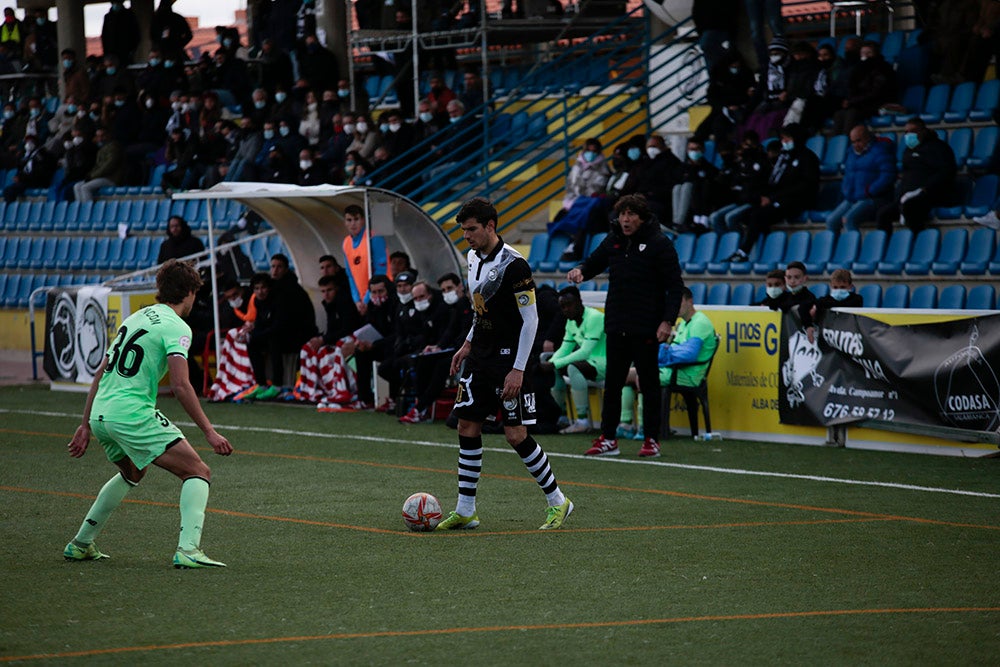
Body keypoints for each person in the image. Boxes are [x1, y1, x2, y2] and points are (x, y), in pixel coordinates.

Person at [64, 259, 233, 569]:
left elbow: (100, 372)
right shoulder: (177, 326)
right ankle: (188, 549)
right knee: (198, 471)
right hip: (131, 414)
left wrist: (85, 424)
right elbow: (182, 386)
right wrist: (209, 431)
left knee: (133, 472)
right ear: (189, 292)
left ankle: (81, 543)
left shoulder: (136, 317)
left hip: (103, 413)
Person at [438, 197, 573, 531]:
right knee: (466, 426)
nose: (466, 236)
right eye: (463, 230)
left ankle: (558, 501)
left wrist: (519, 368)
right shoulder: (471, 258)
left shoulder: (515, 265)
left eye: (471, 229)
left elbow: (531, 321)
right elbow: (479, 308)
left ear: (490, 226)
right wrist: (468, 343)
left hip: (508, 360)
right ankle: (466, 509)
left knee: (515, 434)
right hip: (480, 356)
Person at [567, 193, 685, 459]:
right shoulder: (614, 240)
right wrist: (581, 271)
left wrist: (667, 321)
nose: (625, 219)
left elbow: (675, 287)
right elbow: (594, 262)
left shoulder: (659, 243)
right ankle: (609, 439)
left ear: (642, 218)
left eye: (631, 214)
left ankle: (651, 439)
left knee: (649, 383)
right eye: (622, 214)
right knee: (613, 383)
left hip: (647, 326)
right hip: (617, 323)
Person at [618, 287, 718, 439]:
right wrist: (664, 352)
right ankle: (626, 424)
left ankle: (645, 428)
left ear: (690, 301)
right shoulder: (683, 323)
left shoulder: (700, 322)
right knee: (624, 374)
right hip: (674, 370)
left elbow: (688, 355)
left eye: (679, 302)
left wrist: (663, 353)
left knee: (643, 374)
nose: (674, 307)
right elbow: (674, 350)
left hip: (688, 374)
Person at [726, 123, 819, 261]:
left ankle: (744, 252)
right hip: (776, 199)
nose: (784, 142)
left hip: (795, 201)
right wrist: (765, 196)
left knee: (758, 215)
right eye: (783, 138)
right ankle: (761, 252)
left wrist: (774, 198)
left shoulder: (808, 158)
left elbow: (805, 186)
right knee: (746, 215)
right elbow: (774, 181)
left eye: (788, 138)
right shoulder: (784, 157)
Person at [399, 273, 474, 424]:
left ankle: (420, 408)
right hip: (457, 349)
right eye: (444, 290)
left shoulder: (469, 305)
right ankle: (422, 407)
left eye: (450, 288)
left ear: (460, 286)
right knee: (423, 361)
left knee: (442, 366)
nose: (447, 292)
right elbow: (451, 331)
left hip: (470, 351)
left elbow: (467, 331)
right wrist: (438, 347)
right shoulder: (454, 307)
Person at [539, 285, 606, 435]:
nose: (566, 309)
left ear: (579, 302)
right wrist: (550, 363)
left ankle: (582, 421)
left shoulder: (595, 317)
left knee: (572, 367)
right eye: (563, 307)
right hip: (590, 363)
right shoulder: (570, 321)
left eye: (569, 305)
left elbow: (585, 352)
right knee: (557, 369)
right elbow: (565, 348)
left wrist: (555, 362)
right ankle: (560, 416)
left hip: (605, 362)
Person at [875, 118, 957, 234]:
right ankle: (885, 247)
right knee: (883, 213)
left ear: (923, 131)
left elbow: (947, 172)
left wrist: (926, 188)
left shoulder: (939, 148)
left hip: (930, 195)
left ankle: (919, 238)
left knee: (910, 207)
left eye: (912, 131)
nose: (909, 135)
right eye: (906, 132)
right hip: (908, 195)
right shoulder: (908, 151)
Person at [825, 125, 896, 234]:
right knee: (831, 221)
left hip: (871, 198)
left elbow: (887, 176)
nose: (855, 145)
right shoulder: (851, 153)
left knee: (849, 219)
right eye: (853, 142)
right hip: (852, 197)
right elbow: (848, 175)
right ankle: (834, 249)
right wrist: (846, 190)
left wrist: (869, 190)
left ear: (867, 137)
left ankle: (853, 248)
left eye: (858, 141)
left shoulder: (880, 151)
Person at [341, 203, 390, 313]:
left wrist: (367, 299)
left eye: (356, 219)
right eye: (349, 220)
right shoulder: (346, 243)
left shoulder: (374, 238)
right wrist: (357, 300)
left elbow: (381, 270)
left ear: (363, 220)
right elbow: (350, 274)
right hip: (361, 300)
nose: (353, 223)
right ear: (345, 222)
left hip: (379, 295)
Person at [802, 268, 863, 343]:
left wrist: (821, 305)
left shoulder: (857, 299)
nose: (839, 290)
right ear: (831, 286)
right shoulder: (824, 300)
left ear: (850, 286)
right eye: (835, 287)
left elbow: (846, 305)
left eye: (843, 287)